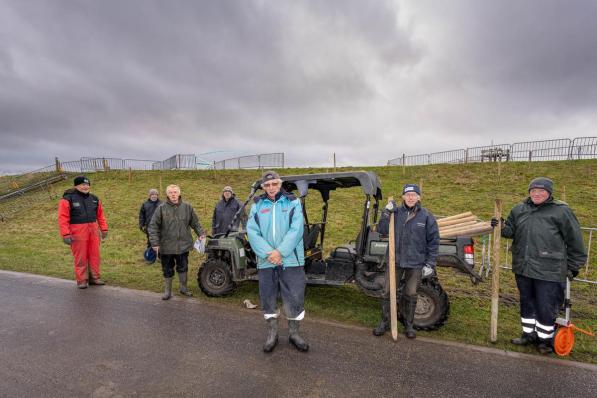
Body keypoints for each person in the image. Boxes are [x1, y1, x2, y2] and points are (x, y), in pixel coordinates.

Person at [493, 177, 587, 354]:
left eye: (541, 190)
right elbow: (510, 231)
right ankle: (529, 335)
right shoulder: (519, 209)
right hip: (524, 267)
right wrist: (500, 225)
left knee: (546, 306)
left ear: (549, 193)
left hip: (549, 270)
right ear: (529, 192)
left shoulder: (561, 212)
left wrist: (574, 266)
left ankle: (546, 341)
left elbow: (575, 240)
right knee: (527, 303)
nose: (536, 193)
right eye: (533, 190)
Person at [246, 170, 308, 353]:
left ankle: (294, 334)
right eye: (267, 185)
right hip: (266, 262)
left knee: (294, 297)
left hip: (291, 261)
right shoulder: (257, 206)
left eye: (274, 184)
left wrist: (280, 252)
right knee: (268, 298)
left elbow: (296, 230)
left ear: (280, 184)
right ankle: (272, 334)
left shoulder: (293, 203)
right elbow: (252, 232)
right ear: (263, 187)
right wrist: (268, 253)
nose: (271, 188)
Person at [374, 183, 439, 339]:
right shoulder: (395, 213)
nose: (410, 198)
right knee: (388, 292)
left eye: (414, 195)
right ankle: (384, 322)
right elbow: (382, 230)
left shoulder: (426, 216)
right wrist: (385, 213)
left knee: (410, 294)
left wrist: (430, 263)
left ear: (418, 197)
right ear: (403, 196)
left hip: (415, 263)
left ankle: (408, 325)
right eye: (408, 195)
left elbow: (434, 241)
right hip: (395, 260)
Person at [148, 184, 206, 300]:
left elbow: (195, 223)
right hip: (166, 247)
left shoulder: (187, 207)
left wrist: (201, 234)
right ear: (167, 194)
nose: (173, 194)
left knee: (183, 267)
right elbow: (153, 226)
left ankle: (183, 288)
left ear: (179, 193)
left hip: (183, 246)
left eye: (175, 192)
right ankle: (167, 292)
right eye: (170, 192)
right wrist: (154, 243)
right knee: (167, 269)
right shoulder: (161, 208)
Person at [58, 175, 108, 289]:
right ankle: (82, 280)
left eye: (87, 184)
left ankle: (94, 278)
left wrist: (104, 228)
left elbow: (100, 215)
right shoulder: (67, 199)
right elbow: (63, 217)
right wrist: (65, 234)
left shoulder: (95, 199)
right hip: (77, 231)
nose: (85, 187)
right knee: (81, 256)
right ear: (76, 185)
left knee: (95, 255)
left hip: (93, 230)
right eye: (83, 184)